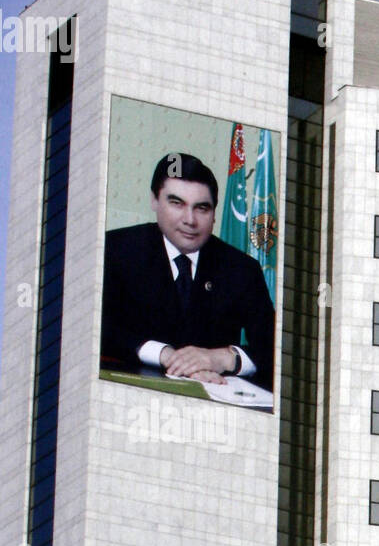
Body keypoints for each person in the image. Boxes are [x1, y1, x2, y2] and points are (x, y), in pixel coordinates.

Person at [101, 153, 274, 391]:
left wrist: (222, 358)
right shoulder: (114, 249)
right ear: (154, 200)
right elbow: (97, 327)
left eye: (202, 208)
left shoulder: (242, 269)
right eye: (177, 203)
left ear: (214, 213)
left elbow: (275, 349)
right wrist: (164, 355)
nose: (189, 220)